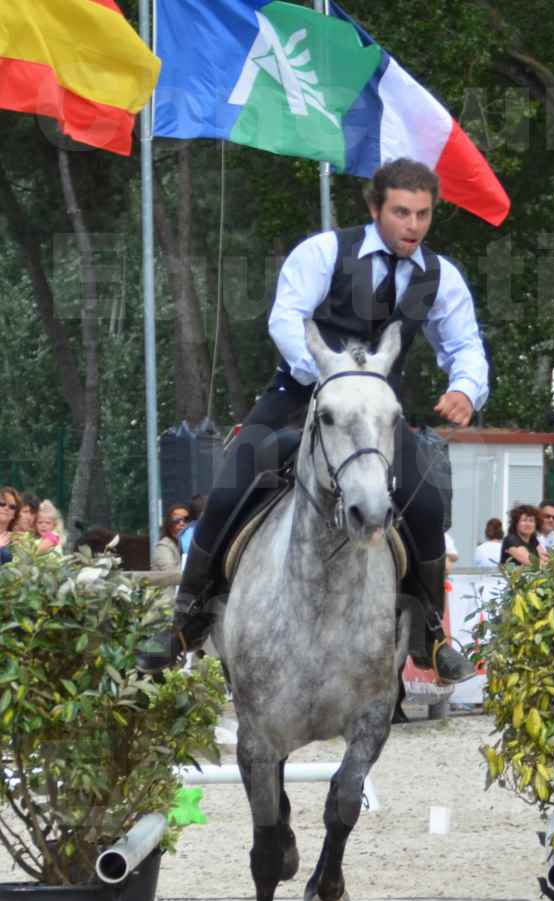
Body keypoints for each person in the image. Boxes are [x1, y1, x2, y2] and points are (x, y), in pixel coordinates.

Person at [138, 158, 488, 682]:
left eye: (423, 214)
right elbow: (286, 319)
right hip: (299, 395)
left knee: (427, 500)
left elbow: (465, 346)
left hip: (374, 413)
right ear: (375, 209)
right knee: (232, 482)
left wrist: (465, 388)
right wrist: (326, 374)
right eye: (401, 213)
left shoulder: (441, 276)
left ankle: (432, 636)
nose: (413, 225)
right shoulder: (325, 252)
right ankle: (185, 620)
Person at [152, 503, 190, 602]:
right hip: (165, 607)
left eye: (186, 519)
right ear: (169, 524)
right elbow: (172, 573)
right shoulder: (163, 546)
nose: (182, 523)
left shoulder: (182, 544)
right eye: (177, 520)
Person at [0, 486, 20, 564]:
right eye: (2, 504)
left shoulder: (17, 539)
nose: (6, 508)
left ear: (15, 514)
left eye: (12, 507)